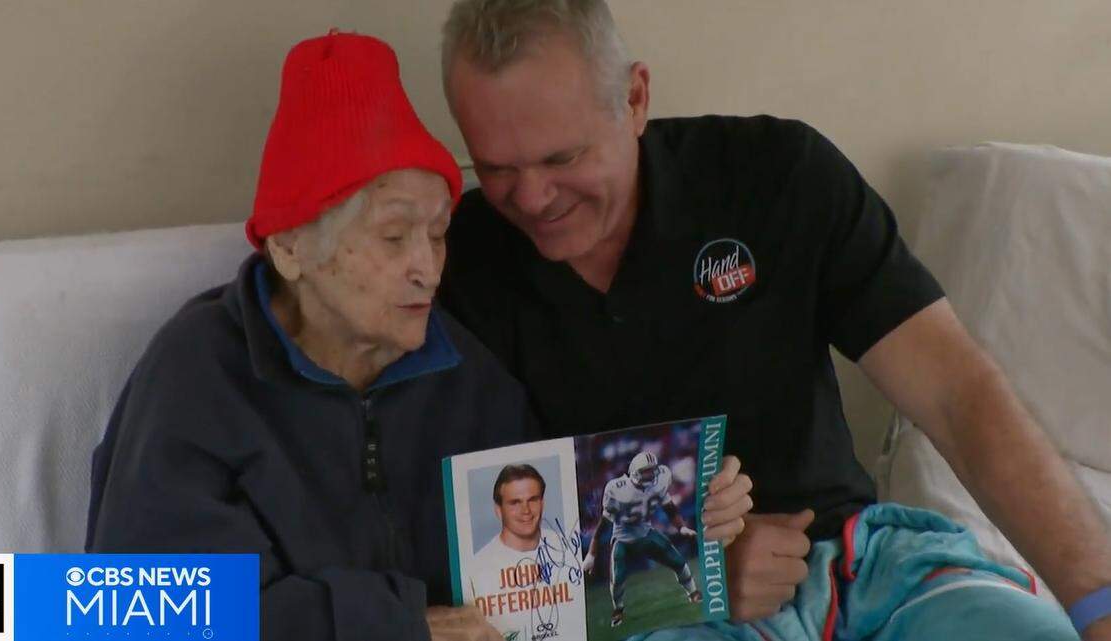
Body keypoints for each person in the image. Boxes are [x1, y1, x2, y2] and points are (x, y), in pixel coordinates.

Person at [436, 1, 1111, 639]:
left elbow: (958, 395)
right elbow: (489, 538)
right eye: (495, 167)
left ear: (636, 98)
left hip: (869, 566)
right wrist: (696, 575)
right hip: (659, 612)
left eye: (563, 158)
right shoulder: (453, 263)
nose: (531, 198)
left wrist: (1100, 601)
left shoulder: (775, 176)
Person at [86, 30, 527, 641]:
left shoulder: (470, 379)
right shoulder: (198, 377)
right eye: (395, 237)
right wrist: (396, 627)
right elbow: (144, 611)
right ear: (289, 247)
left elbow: (538, 573)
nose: (428, 266)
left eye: (439, 232)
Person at [583, 452, 701, 628]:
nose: (650, 475)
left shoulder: (661, 479)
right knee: (617, 578)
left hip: (646, 533)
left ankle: (693, 592)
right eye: (645, 471)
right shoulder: (617, 489)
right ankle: (618, 609)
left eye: (652, 470)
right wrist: (591, 555)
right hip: (623, 539)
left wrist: (681, 527)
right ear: (635, 472)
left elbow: (669, 506)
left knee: (678, 560)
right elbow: (603, 525)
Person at [469, 464, 564, 639]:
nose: (526, 510)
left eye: (533, 499)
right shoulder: (477, 569)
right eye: (515, 503)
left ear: (542, 503)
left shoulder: (564, 547)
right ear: (498, 510)